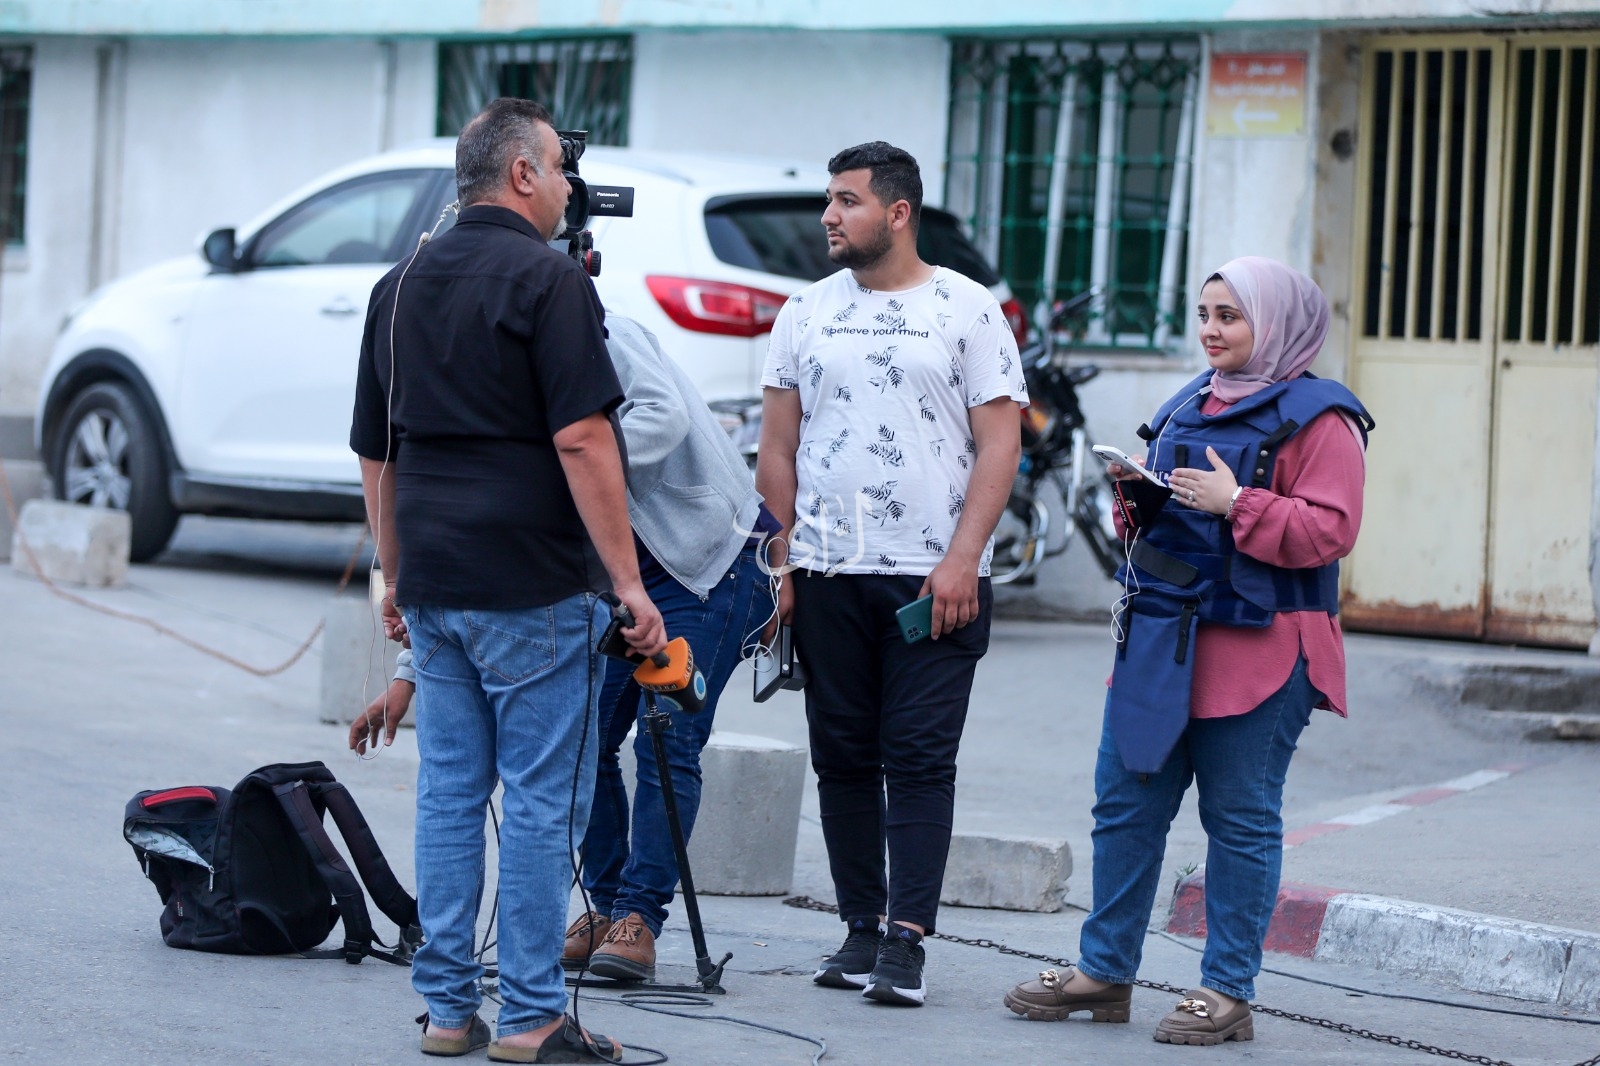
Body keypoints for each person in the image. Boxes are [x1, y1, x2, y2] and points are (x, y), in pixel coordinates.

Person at [348, 97, 663, 1064]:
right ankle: (530, 1016)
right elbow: (583, 438)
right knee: (537, 802)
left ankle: (449, 1011)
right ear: (522, 174)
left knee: (449, 794)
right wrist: (630, 586)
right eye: (559, 169)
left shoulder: (398, 284)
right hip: (533, 583)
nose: (568, 187)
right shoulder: (550, 280)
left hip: (437, 583)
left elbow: (376, 453)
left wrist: (394, 574)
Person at [1001, 257, 1372, 1046]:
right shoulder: (1186, 404)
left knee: (1239, 818)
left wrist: (1237, 502)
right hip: (1160, 636)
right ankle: (1104, 972)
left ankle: (1226, 990)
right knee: (1125, 805)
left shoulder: (1323, 421)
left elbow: (1332, 530)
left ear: (1276, 324)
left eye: (1229, 316)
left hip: (1260, 647)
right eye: (1204, 314)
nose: (1211, 330)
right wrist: (1134, 500)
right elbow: (1157, 523)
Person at [755, 141, 1026, 1007]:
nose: (829, 217)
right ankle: (860, 928)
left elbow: (1001, 445)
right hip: (826, 571)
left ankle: (907, 939)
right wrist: (779, 562)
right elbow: (777, 447)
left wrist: (962, 561)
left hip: (932, 579)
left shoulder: (968, 309)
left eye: (848, 201)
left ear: (898, 213)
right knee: (841, 756)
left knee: (917, 757)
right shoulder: (804, 311)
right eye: (830, 201)